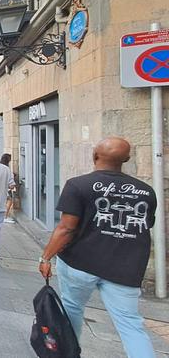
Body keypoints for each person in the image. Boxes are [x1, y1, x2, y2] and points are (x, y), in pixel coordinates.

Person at [38, 137, 156, 358]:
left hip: (79, 262)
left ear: (94, 156)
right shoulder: (146, 191)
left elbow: (66, 228)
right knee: (131, 324)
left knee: (72, 309)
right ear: (126, 159)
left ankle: (68, 353)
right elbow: (144, 225)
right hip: (124, 268)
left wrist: (46, 257)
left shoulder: (78, 185)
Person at [0, 153, 16, 224]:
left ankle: (2, 216)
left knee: (3, 202)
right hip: (5, 189)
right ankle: (4, 217)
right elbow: (11, 183)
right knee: (9, 200)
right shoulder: (7, 169)